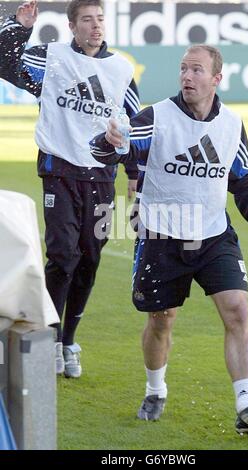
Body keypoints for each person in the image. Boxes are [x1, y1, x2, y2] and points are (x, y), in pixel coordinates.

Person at [89, 44, 248, 434]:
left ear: (216, 78)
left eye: (197, 70)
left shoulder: (231, 123)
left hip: (212, 235)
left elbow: (242, 175)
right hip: (162, 235)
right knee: (162, 322)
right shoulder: (156, 116)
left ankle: (247, 405)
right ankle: (155, 388)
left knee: (238, 311)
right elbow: (117, 149)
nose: (187, 77)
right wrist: (111, 142)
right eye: (183, 69)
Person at [0, 0, 139, 378]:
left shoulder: (121, 68)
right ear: (72, 25)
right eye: (87, 21)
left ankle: (69, 341)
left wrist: (128, 159)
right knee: (62, 255)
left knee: (89, 258)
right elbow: (5, 62)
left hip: (101, 177)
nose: (96, 27)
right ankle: (52, 338)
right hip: (59, 171)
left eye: (100, 20)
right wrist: (19, 27)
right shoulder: (53, 58)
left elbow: (132, 127)